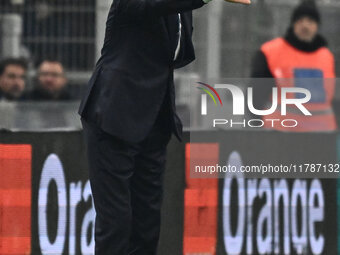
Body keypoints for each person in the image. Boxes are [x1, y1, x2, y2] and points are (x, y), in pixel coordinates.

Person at [78, 0, 250, 254]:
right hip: (114, 114)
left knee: (147, 226)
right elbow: (153, 6)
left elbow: (179, 52)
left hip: (155, 117)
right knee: (116, 224)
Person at [251, 0, 336, 131]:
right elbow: (255, 97)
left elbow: (333, 99)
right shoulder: (271, 53)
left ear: (317, 26)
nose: (305, 25)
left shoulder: (327, 57)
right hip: (281, 135)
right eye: (300, 20)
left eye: (310, 21)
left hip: (321, 136)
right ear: (293, 24)